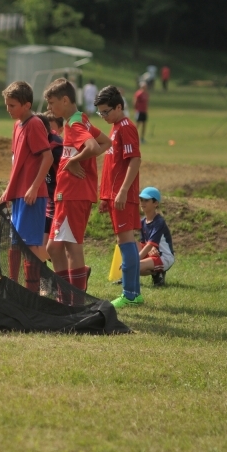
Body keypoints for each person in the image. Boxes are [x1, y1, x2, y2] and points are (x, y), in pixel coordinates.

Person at [44, 78, 111, 295]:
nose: (49, 108)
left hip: (73, 194)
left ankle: (75, 302)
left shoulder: (74, 124)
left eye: (52, 103)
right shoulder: (79, 119)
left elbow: (93, 146)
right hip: (67, 194)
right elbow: (106, 142)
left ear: (65, 100)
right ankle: (67, 296)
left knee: (72, 248)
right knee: (53, 248)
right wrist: (81, 159)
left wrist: (74, 161)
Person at [0, 81, 54, 294]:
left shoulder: (34, 125)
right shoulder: (17, 126)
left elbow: (47, 157)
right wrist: (9, 189)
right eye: (7, 105)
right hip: (19, 195)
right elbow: (17, 163)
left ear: (26, 104)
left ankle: (32, 294)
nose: (8, 109)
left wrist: (34, 187)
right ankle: (13, 288)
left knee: (30, 247)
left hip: (33, 196)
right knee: (14, 245)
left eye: (12, 105)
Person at [95, 86, 143, 308]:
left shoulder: (126, 127)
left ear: (119, 107)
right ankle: (134, 293)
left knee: (126, 241)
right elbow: (112, 167)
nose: (103, 116)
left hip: (123, 195)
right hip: (114, 196)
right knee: (123, 241)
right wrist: (105, 196)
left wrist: (123, 191)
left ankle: (130, 294)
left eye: (106, 112)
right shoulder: (115, 128)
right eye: (100, 113)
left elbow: (134, 160)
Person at [35, 112, 63, 249]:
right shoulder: (44, 142)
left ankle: (78, 269)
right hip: (47, 199)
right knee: (44, 246)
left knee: (45, 247)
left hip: (57, 199)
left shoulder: (56, 148)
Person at [137, 187, 174, 287]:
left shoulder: (159, 222)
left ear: (155, 203)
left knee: (134, 267)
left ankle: (158, 272)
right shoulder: (142, 221)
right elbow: (144, 244)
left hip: (164, 257)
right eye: (141, 200)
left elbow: (150, 244)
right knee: (129, 244)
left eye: (146, 200)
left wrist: (135, 260)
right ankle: (156, 273)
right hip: (153, 253)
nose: (142, 203)